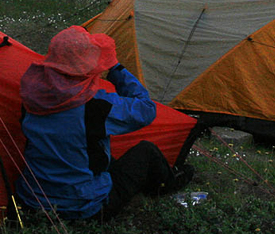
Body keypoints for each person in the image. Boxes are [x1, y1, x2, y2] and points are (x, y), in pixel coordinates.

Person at [15, 26, 193, 220]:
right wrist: (115, 67)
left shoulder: (33, 96)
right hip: (82, 207)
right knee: (146, 152)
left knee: (103, 159)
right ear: (85, 67)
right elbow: (146, 109)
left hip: (32, 199)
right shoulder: (94, 107)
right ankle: (168, 184)